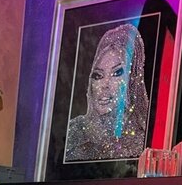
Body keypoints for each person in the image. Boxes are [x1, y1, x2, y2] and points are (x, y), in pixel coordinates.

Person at [64, 23, 150, 162]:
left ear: (132, 79)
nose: (105, 85)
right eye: (98, 75)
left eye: (116, 73)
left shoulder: (143, 142)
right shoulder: (73, 131)